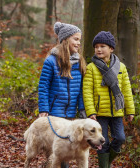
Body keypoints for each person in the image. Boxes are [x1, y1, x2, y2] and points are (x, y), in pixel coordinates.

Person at [83, 31, 135, 168]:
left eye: (102, 46)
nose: (98, 49)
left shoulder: (121, 68)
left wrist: (130, 110)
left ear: (111, 48)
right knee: (103, 142)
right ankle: (104, 166)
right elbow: (87, 91)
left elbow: (126, 91)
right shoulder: (91, 68)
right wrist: (91, 111)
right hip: (99, 113)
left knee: (120, 138)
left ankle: (106, 163)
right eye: (96, 47)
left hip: (117, 111)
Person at [38, 22, 87, 168]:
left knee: (66, 149)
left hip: (71, 114)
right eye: (75, 39)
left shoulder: (79, 62)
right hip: (54, 113)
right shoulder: (51, 61)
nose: (78, 43)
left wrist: (83, 109)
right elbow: (43, 87)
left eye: (79, 40)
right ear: (65, 40)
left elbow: (80, 90)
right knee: (60, 151)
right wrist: (43, 109)